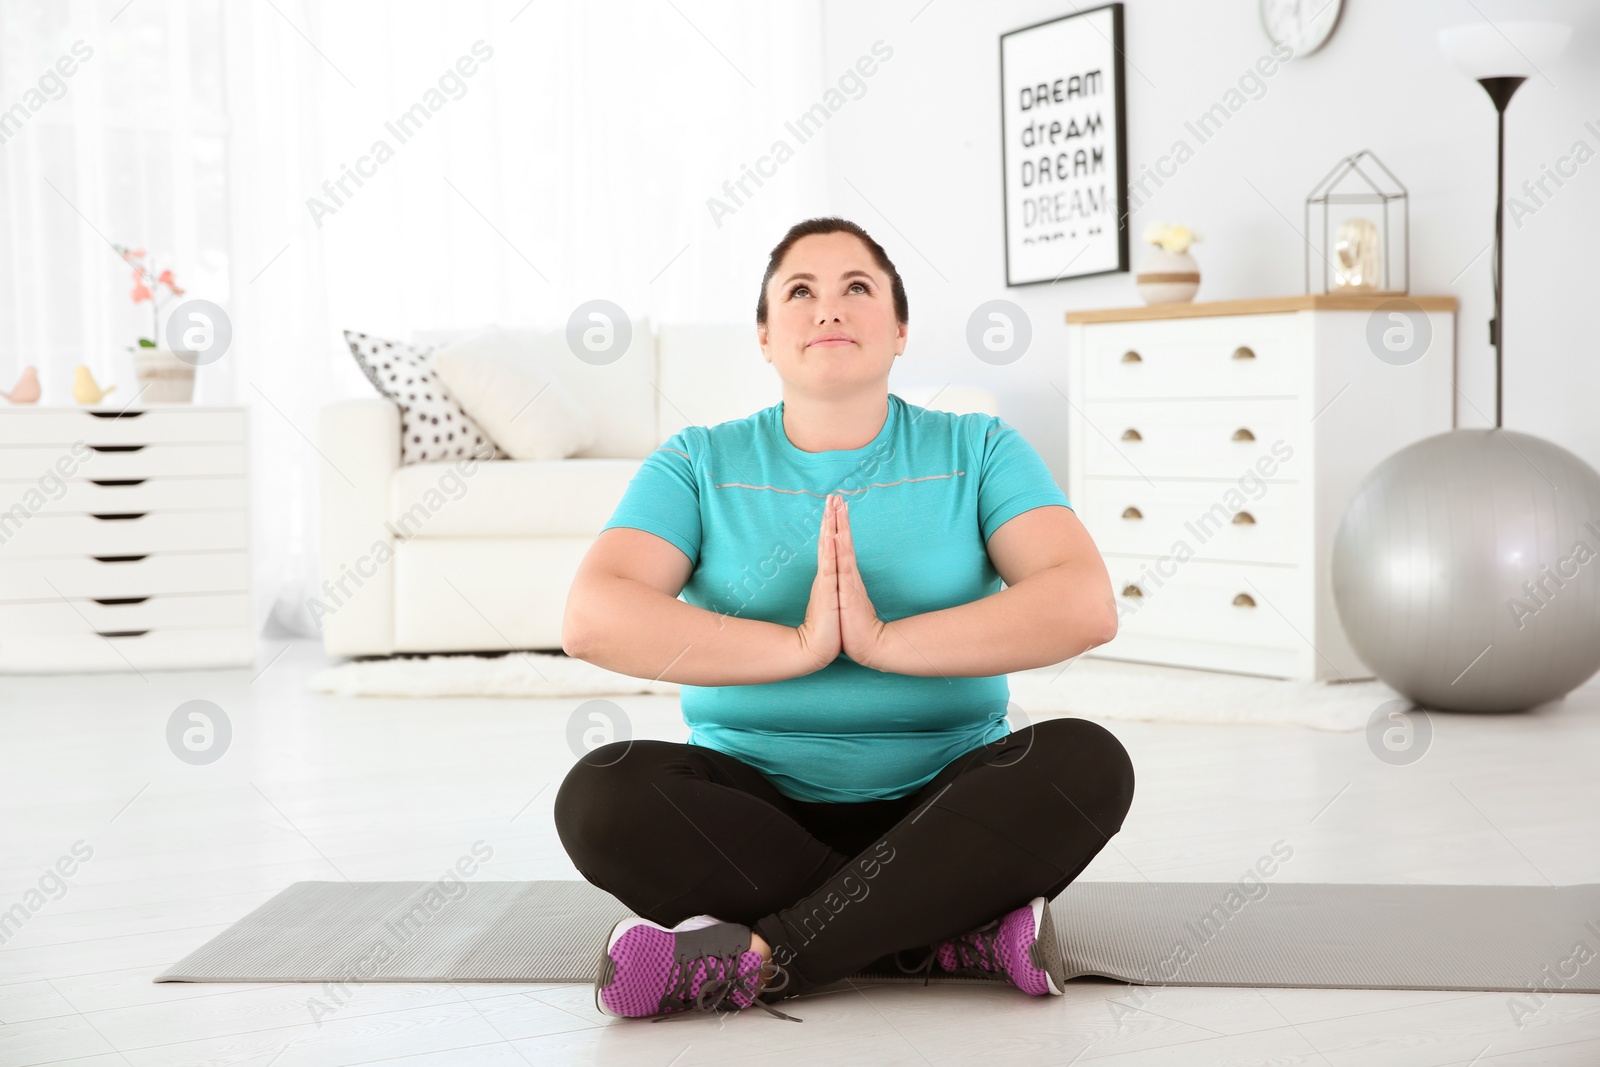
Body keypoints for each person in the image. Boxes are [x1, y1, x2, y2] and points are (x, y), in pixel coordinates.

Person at [555, 216, 1133, 1023]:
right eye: (800, 291)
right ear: (764, 335)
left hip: (945, 806)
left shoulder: (980, 448)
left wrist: (885, 643)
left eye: (857, 287)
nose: (829, 309)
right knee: (600, 796)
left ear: (899, 329)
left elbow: (1084, 602)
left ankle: (760, 956)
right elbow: (592, 615)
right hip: (754, 809)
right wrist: (799, 646)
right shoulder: (697, 461)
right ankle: (940, 932)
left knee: (1088, 764)